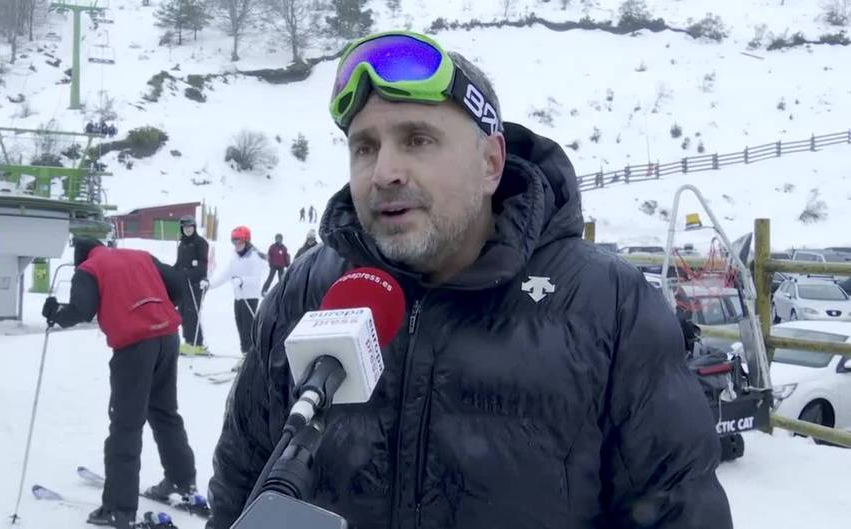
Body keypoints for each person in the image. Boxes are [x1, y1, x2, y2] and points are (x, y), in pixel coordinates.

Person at [205, 30, 731, 529]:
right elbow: (240, 482)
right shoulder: (307, 289)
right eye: (364, 147)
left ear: (490, 164)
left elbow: (679, 510)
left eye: (417, 140)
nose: (384, 171)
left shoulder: (610, 307)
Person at [43, 238, 203, 528]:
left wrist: (54, 313)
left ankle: (119, 508)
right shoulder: (139, 255)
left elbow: (82, 309)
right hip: (167, 337)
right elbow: (177, 284)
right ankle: (182, 481)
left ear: (81, 257)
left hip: (134, 346)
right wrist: (155, 310)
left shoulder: (89, 268)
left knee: (126, 425)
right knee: (165, 413)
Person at [207, 226, 266, 370]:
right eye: (234, 242)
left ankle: (253, 358)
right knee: (240, 327)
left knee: (248, 327)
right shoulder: (235, 257)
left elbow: (256, 279)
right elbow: (226, 274)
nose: (237, 245)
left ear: (246, 241)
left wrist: (242, 280)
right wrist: (210, 285)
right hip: (238, 297)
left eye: (239, 242)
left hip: (250, 297)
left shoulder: (254, 257)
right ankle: (245, 356)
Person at [172, 215, 209, 355]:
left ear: (194, 227)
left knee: (192, 313)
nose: (187, 230)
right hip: (183, 284)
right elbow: (179, 264)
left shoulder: (200, 243)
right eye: (185, 227)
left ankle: (197, 344)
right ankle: (188, 342)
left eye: (190, 227)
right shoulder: (182, 244)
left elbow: (203, 265)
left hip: (196, 284)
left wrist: (189, 273)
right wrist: (171, 271)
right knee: (182, 313)